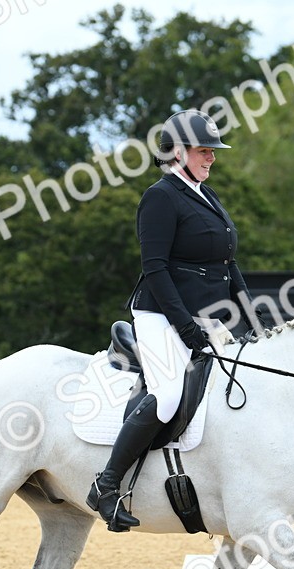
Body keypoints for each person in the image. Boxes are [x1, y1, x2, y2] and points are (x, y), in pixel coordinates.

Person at [86, 109, 260, 532]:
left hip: (207, 315)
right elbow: (156, 269)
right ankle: (106, 486)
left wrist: (253, 321)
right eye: (204, 151)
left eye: (212, 152)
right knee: (166, 395)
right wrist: (185, 329)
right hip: (160, 314)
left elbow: (227, 264)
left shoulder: (205, 194)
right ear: (179, 152)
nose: (212, 158)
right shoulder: (160, 197)